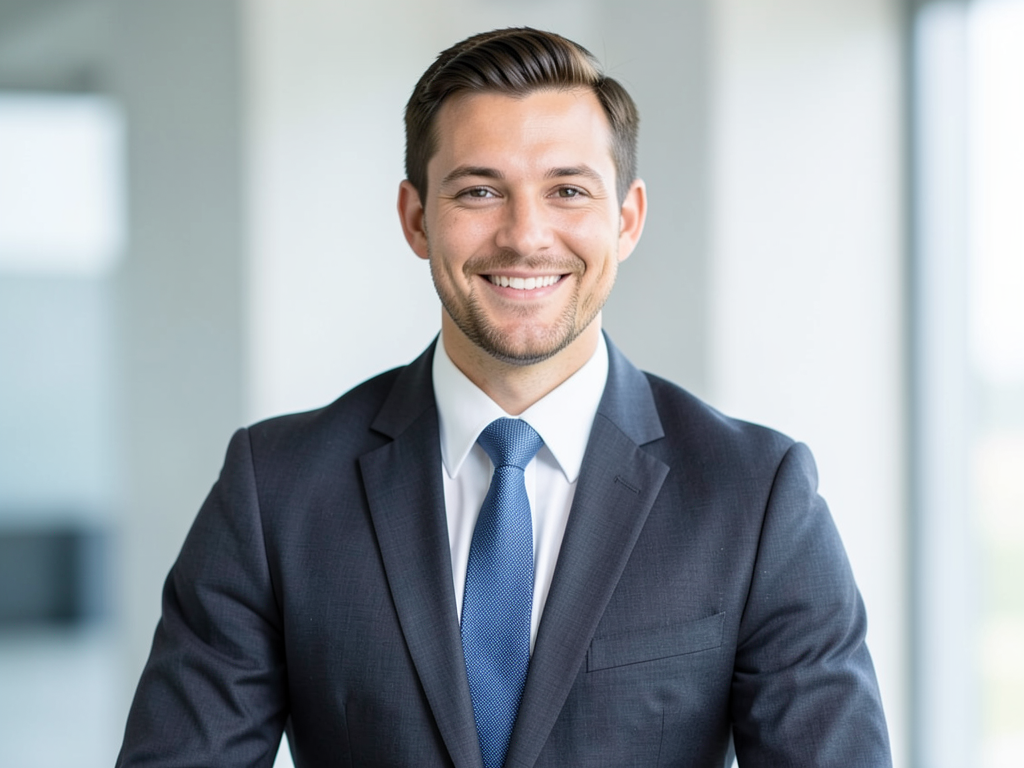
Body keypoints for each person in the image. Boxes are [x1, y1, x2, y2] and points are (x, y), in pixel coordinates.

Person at [116, 27, 891, 768]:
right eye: (480, 191)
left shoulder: (755, 496)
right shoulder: (276, 490)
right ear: (416, 219)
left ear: (626, 220)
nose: (525, 236)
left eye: (568, 191)